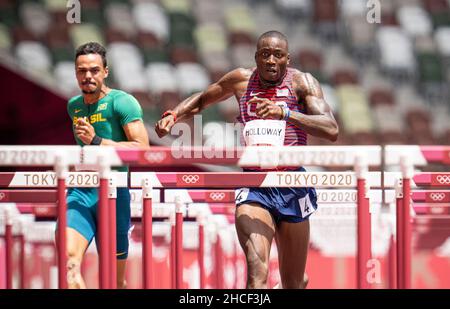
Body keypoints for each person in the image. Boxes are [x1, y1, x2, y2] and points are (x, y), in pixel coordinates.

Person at [156, 31, 338, 289]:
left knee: (294, 283)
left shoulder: (302, 83)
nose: (271, 61)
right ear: (256, 57)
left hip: (292, 183)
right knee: (257, 270)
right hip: (254, 185)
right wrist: (173, 115)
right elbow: (202, 100)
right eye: (265, 55)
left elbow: (331, 129)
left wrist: (285, 113)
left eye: (278, 55)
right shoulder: (241, 80)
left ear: (288, 59)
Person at [61, 42, 149, 288]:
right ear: (76, 72)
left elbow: (142, 148)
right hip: (81, 189)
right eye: (82, 71)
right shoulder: (74, 106)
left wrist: (97, 141)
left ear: (106, 71)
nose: (88, 76)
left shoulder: (122, 102)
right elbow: (83, 150)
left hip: (114, 192)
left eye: (94, 70)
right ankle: (73, 274)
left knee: (114, 281)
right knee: (70, 260)